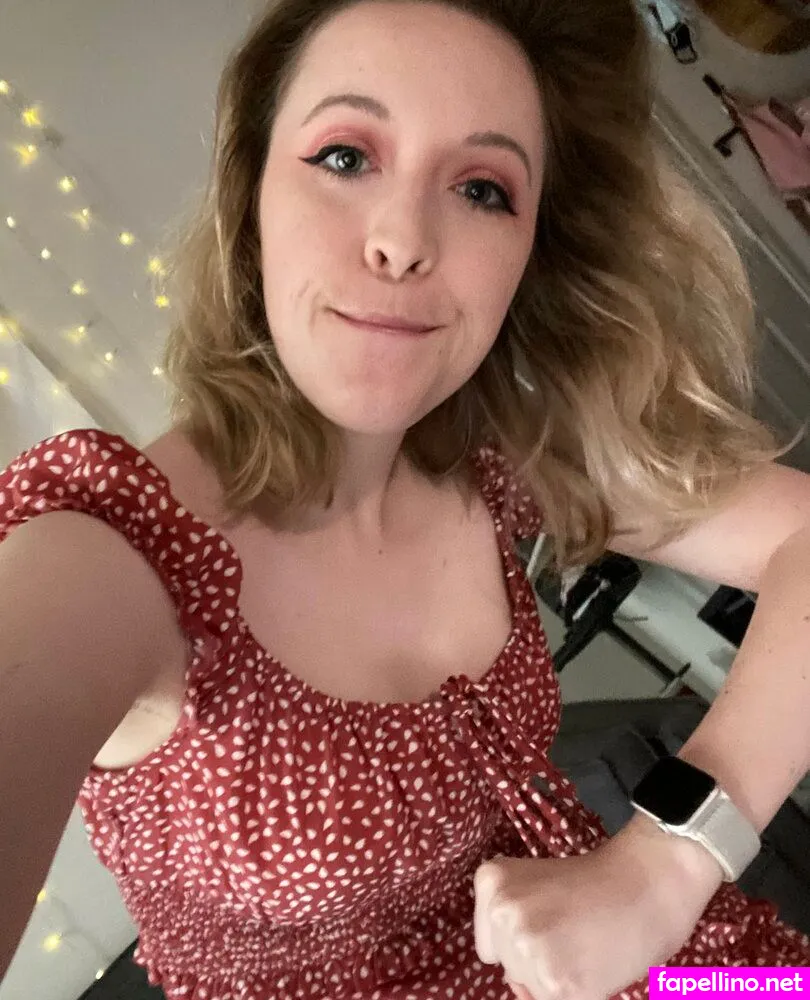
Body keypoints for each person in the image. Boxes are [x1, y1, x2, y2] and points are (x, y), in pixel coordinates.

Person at [1, 0, 809, 997]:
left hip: (653, 966)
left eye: (481, 188)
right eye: (345, 156)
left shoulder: (489, 450)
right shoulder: (107, 557)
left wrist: (668, 867)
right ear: (251, 194)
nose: (401, 240)